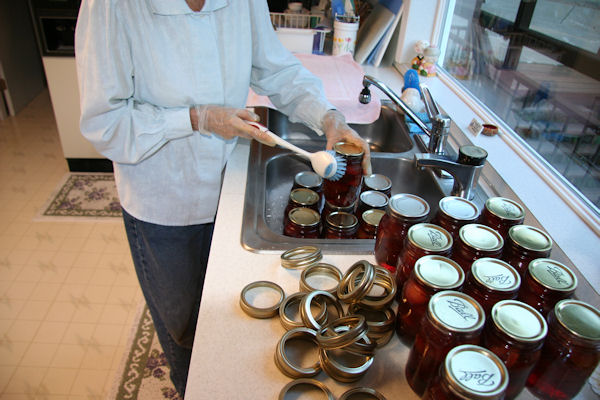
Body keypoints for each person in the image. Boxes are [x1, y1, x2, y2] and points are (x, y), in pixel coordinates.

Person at [75, 0, 371, 396]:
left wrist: (328, 116)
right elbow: (104, 123)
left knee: (226, 319)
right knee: (184, 329)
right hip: (164, 199)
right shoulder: (111, 6)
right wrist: (195, 118)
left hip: (231, 186)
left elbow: (276, 70)